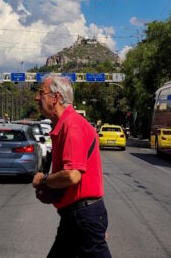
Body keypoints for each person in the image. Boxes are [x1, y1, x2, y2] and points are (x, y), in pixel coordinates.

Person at [32, 75, 111, 257]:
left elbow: (72, 175)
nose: (37, 98)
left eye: (40, 93)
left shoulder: (72, 124)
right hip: (77, 217)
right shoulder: (65, 124)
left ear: (56, 98)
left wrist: (43, 179)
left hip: (83, 216)